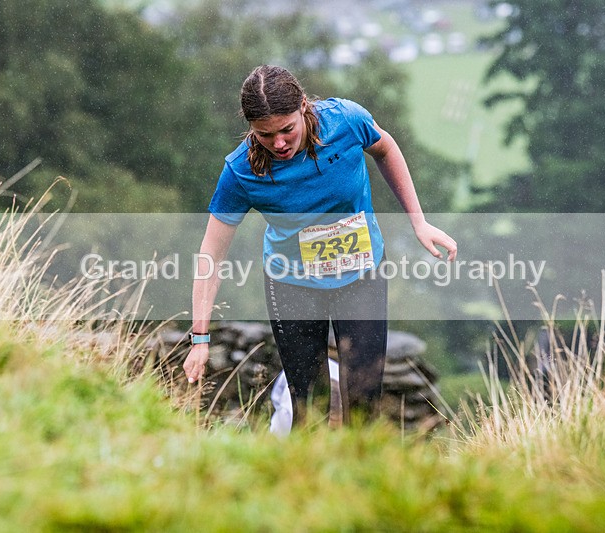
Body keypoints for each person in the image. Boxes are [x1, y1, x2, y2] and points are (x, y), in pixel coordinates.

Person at [183, 65, 456, 428]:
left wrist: (418, 221)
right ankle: (308, 479)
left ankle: (359, 480)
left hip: (362, 272)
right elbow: (211, 257)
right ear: (251, 128)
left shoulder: (346, 120)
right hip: (292, 283)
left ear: (303, 108)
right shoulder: (241, 171)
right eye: (265, 135)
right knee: (308, 404)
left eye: (287, 129)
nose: (279, 143)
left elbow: (385, 149)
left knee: (363, 401)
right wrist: (200, 339)